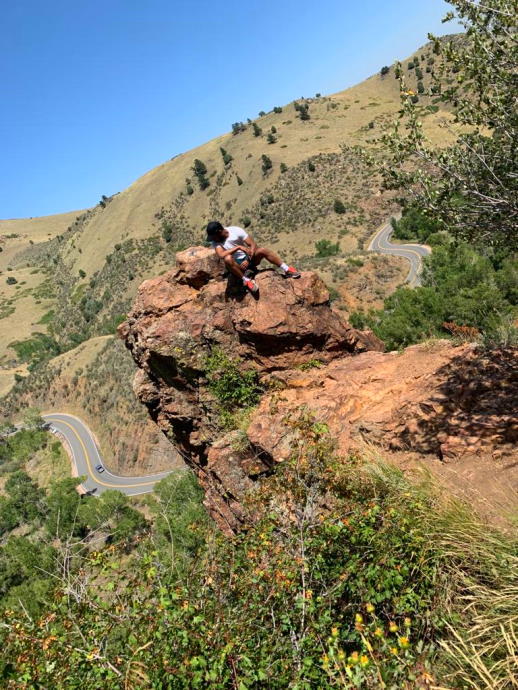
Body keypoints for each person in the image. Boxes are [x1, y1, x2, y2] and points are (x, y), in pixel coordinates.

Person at [206, 221, 300, 293]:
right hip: (237, 266)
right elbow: (221, 254)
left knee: (262, 250)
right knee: (227, 258)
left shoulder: (235, 231)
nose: (212, 240)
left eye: (213, 236)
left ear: (219, 232)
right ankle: (246, 280)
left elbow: (253, 244)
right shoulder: (216, 242)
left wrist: (248, 259)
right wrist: (238, 247)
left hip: (249, 259)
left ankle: (287, 269)